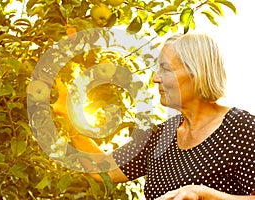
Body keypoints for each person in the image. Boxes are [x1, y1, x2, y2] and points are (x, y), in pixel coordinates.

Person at [69, 33, 255, 199]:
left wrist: (204, 194)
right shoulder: (162, 134)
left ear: (196, 73)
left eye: (166, 69)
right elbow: (105, 171)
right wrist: (68, 116)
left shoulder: (242, 129)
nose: (156, 78)